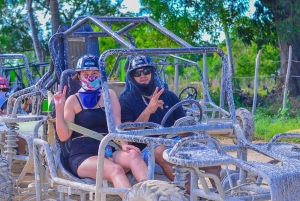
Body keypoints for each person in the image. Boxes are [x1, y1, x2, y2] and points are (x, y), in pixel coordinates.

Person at [119, 55, 221, 193]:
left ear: (153, 73)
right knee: (161, 150)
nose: (142, 75)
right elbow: (128, 133)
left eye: (146, 71)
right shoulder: (126, 100)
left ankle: (221, 193)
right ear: (131, 77)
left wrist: (192, 135)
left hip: (172, 142)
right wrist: (149, 110)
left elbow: (182, 126)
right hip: (145, 149)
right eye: (137, 73)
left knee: (205, 142)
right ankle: (192, 195)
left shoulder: (168, 95)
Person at [53, 54, 147, 198]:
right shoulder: (73, 100)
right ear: (79, 76)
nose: (90, 77)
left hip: (108, 149)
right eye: (86, 74)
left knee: (134, 155)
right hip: (83, 155)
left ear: (100, 74)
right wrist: (59, 109)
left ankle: (153, 194)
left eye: (94, 73)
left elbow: (116, 123)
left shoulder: (109, 95)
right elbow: (64, 135)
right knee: (115, 170)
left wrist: (123, 144)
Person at [0, 76, 32, 154]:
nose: (2, 92)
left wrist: (26, 103)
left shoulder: (10, 98)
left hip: (7, 124)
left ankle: (21, 159)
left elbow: (22, 109)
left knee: (20, 135)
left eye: (4, 89)